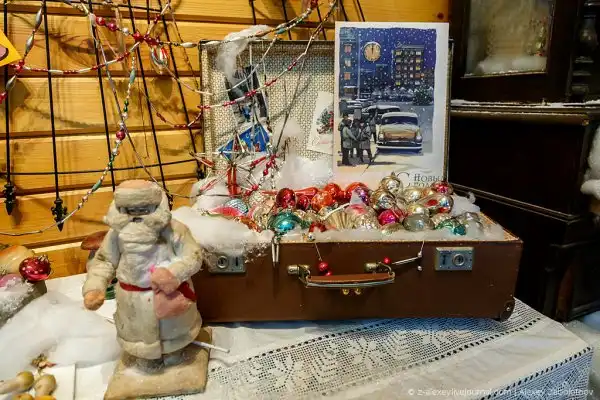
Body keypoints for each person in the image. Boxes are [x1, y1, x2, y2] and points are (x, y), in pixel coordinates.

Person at [83, 180, 203, 368]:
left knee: (174, 335)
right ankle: (144, 357)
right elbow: (104, 261)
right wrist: (95, 286)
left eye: (144, 209)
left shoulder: (174, 230)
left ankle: (175, 351)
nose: (137, 215)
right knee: (138, 339)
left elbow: (193, 255)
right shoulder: (116, 234)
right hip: (132, 302)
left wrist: (174, 273)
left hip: (169, 296)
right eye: (130, 210)